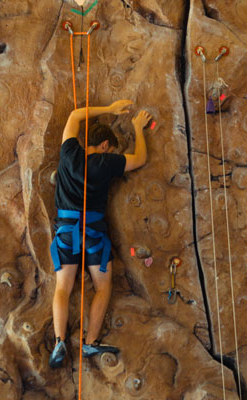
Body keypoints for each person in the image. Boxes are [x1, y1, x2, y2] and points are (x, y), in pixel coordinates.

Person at [49, 99, 152, 368]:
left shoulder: (69, 152)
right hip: (93, 232)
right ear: (105, 146)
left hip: (66, 232)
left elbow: (75, 115)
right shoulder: (105, 162)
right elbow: (140, 159)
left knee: (63, 287)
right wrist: (138, 127)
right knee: (103, 286)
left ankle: (59, 340)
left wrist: (109, 109)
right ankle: (89, 342)